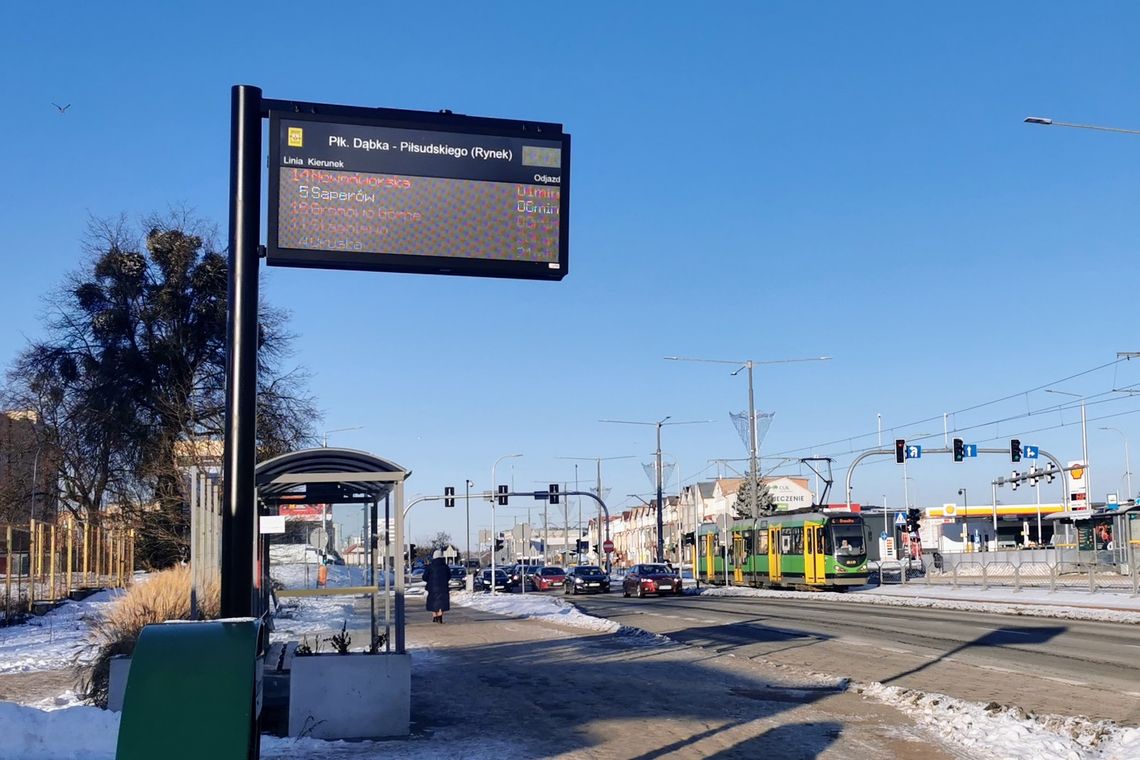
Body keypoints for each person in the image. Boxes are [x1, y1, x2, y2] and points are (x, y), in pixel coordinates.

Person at [422, 549, 451, 624]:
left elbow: (424, 577)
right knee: (442, 601)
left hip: (432, 587)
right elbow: (449, 576)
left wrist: (429, 580)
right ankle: (440, 614)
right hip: (443, 587)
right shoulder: (445, 567)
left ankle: (435, 615)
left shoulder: (430, 567)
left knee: (433, 601)